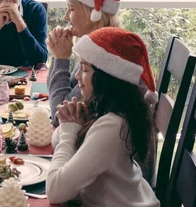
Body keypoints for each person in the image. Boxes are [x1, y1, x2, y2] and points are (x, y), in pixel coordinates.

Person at [46, 27, 160, 207]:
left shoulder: (112, 126)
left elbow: (55, 191)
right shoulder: (106, 109)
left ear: (106, 77)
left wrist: (69, 131)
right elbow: (55, 140)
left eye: (84, 69)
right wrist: (71, 125)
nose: (76, 76)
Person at [47, 0, 130, 127]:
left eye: (71, 9)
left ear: (94, 13)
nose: (65, 17)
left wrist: (61, 59)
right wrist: (56, 54)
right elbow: (63, 92)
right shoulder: (95, 44)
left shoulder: (102, 57)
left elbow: (59, 115)